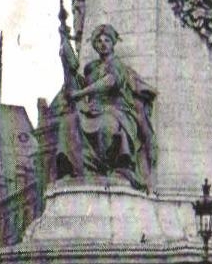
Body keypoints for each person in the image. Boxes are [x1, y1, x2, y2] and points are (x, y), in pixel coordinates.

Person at [57, 23, 157, 191]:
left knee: (107, 125)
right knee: (69, 122)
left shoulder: (116, 64)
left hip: (116, 109)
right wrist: (66, 62)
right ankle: (74, 168)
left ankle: (109, 169)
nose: (103, 43)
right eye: (99, 41)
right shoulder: (91, 68)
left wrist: (81, 94)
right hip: (93, 109)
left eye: (107, 40)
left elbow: (110, 82)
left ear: (112, 44)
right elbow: (78, 83)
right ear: (95, 45)